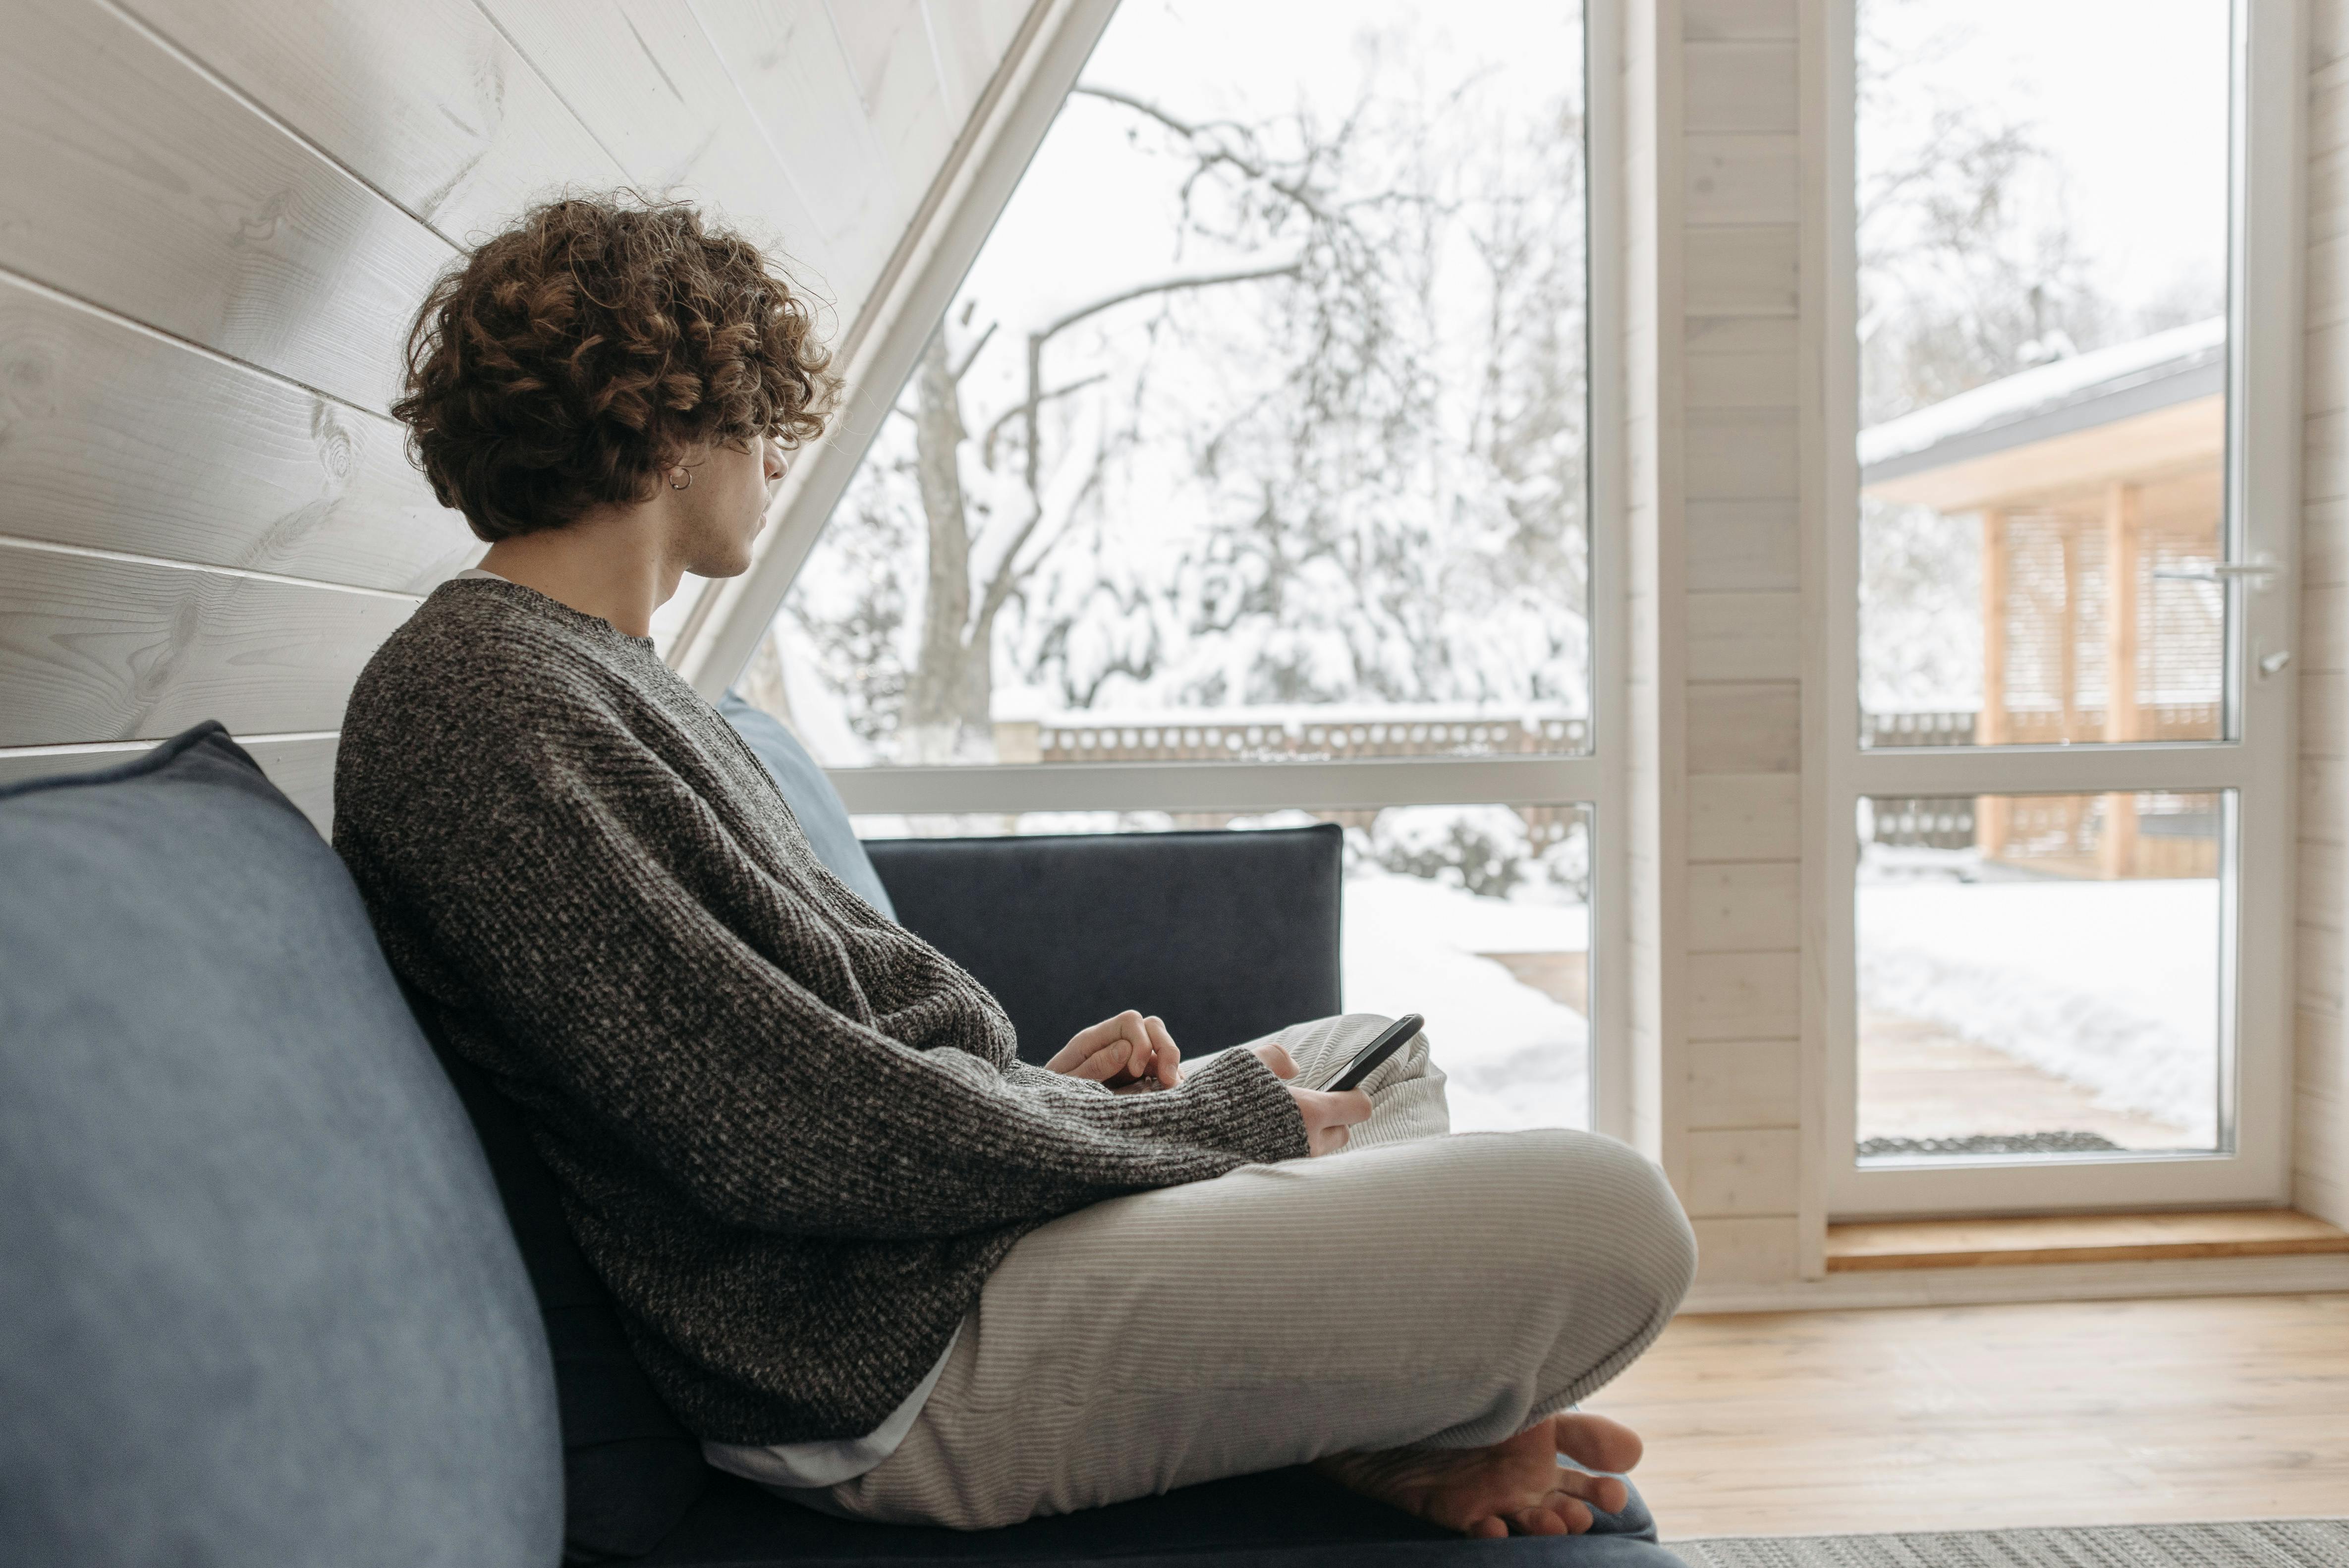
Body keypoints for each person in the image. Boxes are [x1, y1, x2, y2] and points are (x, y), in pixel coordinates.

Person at [334, 194, 1696, 1538]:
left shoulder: (598, 677)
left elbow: (785, 1062)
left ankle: (1398, 1437)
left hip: (920, 1257)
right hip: (874, 1358)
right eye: (760, 422)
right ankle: (1438, 1422)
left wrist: (1035, 1100)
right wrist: (1189, 1127)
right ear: (677, 421)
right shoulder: (487, 703)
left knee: (1368, 1057)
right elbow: (776, 1131)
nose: (774, 458)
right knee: (1614, 1213)